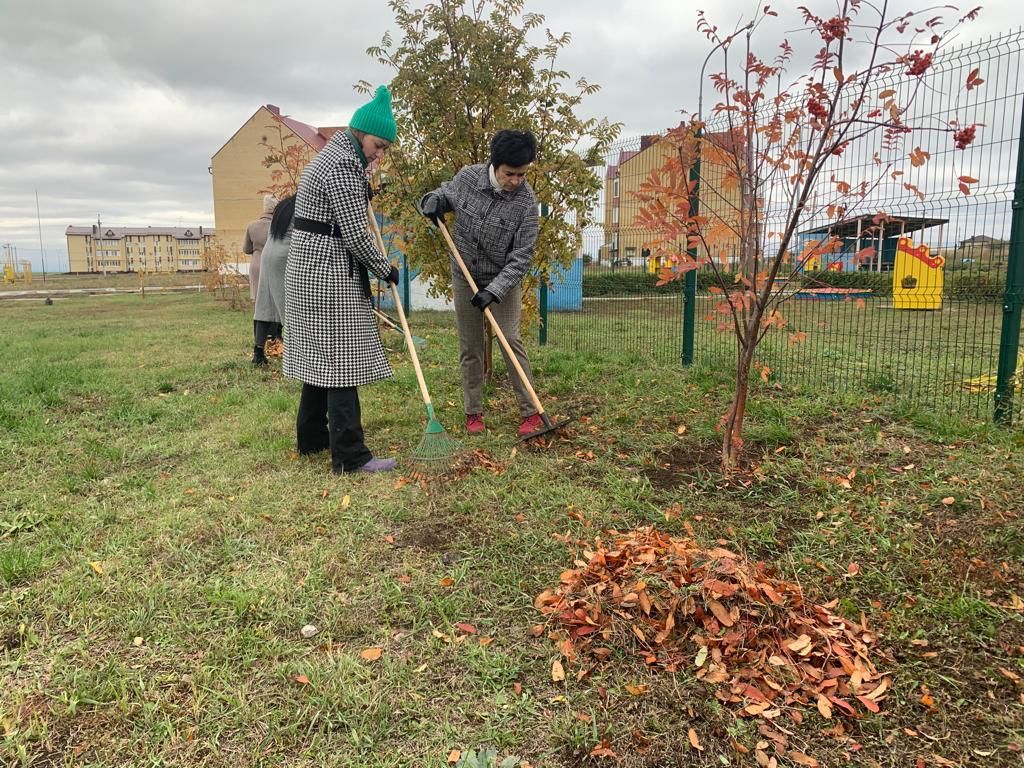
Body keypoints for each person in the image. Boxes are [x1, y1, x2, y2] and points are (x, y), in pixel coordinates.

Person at [283, 85, 400, 474]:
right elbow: (354, 235)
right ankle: (351, 456)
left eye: (384, 149)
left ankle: (312, 438)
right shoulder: (343, 165)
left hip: (309, 269)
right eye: (377, 145)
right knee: (341, 360)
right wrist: (386, 269)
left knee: (319, 356)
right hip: (326, 272)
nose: (378, 154)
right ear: (359, 132)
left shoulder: (333, 154)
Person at [419, 129, 542, 437]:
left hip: (503, 279)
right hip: (464, 274)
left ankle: (531, 412)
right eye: (510, 174)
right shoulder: (468, 178)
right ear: (494, 164)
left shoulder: (526, 202)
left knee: (510, 340)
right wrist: (432, 202)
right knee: (470, 346)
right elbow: (444, 194)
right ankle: (473, 412)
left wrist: (494, 291)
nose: (516, 180)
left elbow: (522, 258)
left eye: (522, 174)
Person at [251, 194, 296, 367]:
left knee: (265, 303)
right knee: (290, 304)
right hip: (285, 254)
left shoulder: (283, 206)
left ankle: (258, 353)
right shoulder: (303, 204)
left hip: (268, 254)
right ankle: (295, 353)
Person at [243, 194, 277, 302]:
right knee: (273, 301)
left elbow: (246, 249)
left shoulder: (252, 226)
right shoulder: (277, 227)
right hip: (273, 265)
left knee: (258, 303)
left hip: (256, 267)